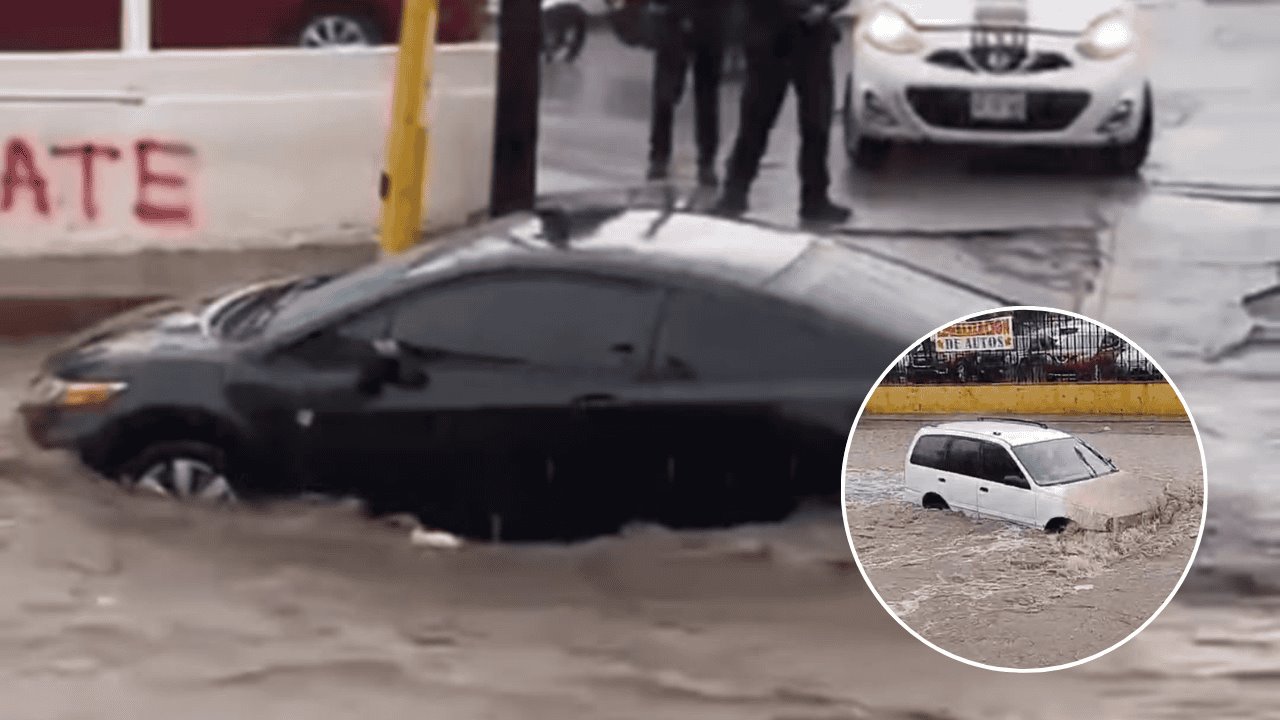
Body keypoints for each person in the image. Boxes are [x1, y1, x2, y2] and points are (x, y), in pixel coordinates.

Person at [714, 0, 851, 224]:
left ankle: (815, 198)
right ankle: (735, 192)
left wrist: (826, 7)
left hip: (811, 39)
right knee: (756, 120)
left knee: (816, 122)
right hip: (771, 35)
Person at [645, 0, 730, 186]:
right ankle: (663, 156)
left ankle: (701, 159)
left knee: (705, 95)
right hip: (677, 18)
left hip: (706, 19)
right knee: (668, 92)